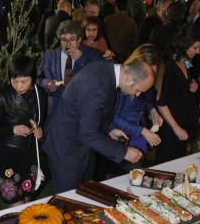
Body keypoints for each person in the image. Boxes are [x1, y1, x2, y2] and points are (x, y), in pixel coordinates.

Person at [43, 59, 155, 193]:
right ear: (130, 78)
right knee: (69, 198)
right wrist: (124, 152)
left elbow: (93, 112)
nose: (137, 94)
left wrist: (110, 129)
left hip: (80, 142)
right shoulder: (96, 86)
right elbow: (88, 134)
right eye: (138, 90)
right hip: (66, 147)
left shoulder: (108, 71)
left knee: (85, 191)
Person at [0, 56, 48, 205]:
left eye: (24, 81)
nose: (18, 86)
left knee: (28, 194)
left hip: (29, 153)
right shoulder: (1, 96)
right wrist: (12, 129)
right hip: (7, 154)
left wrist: (39, 131)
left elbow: (40, 121)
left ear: (33, 79)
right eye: (14, 81)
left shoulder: (40, 95)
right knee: (13, 198)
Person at [155, 26, 200, 164]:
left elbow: (180, 88)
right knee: (167, 163)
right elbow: (161, 102)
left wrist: (192, 86)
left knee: (179, 162)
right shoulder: (169, 66)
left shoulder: (184, 61)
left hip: (182, 122)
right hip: (171, 127)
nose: (198, 51)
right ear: (184, 45)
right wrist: (175, 127)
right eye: (195, 47)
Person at [37, 20, 102, 111]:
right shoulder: (49, 56)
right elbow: (37, 79)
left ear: (79, 39)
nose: (68, 44)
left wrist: (81, 59)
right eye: (64, 40)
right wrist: (47, 84)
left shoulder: (94, 55)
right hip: (56, 106)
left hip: (82, 106)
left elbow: (99, 78)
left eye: (72, 39)